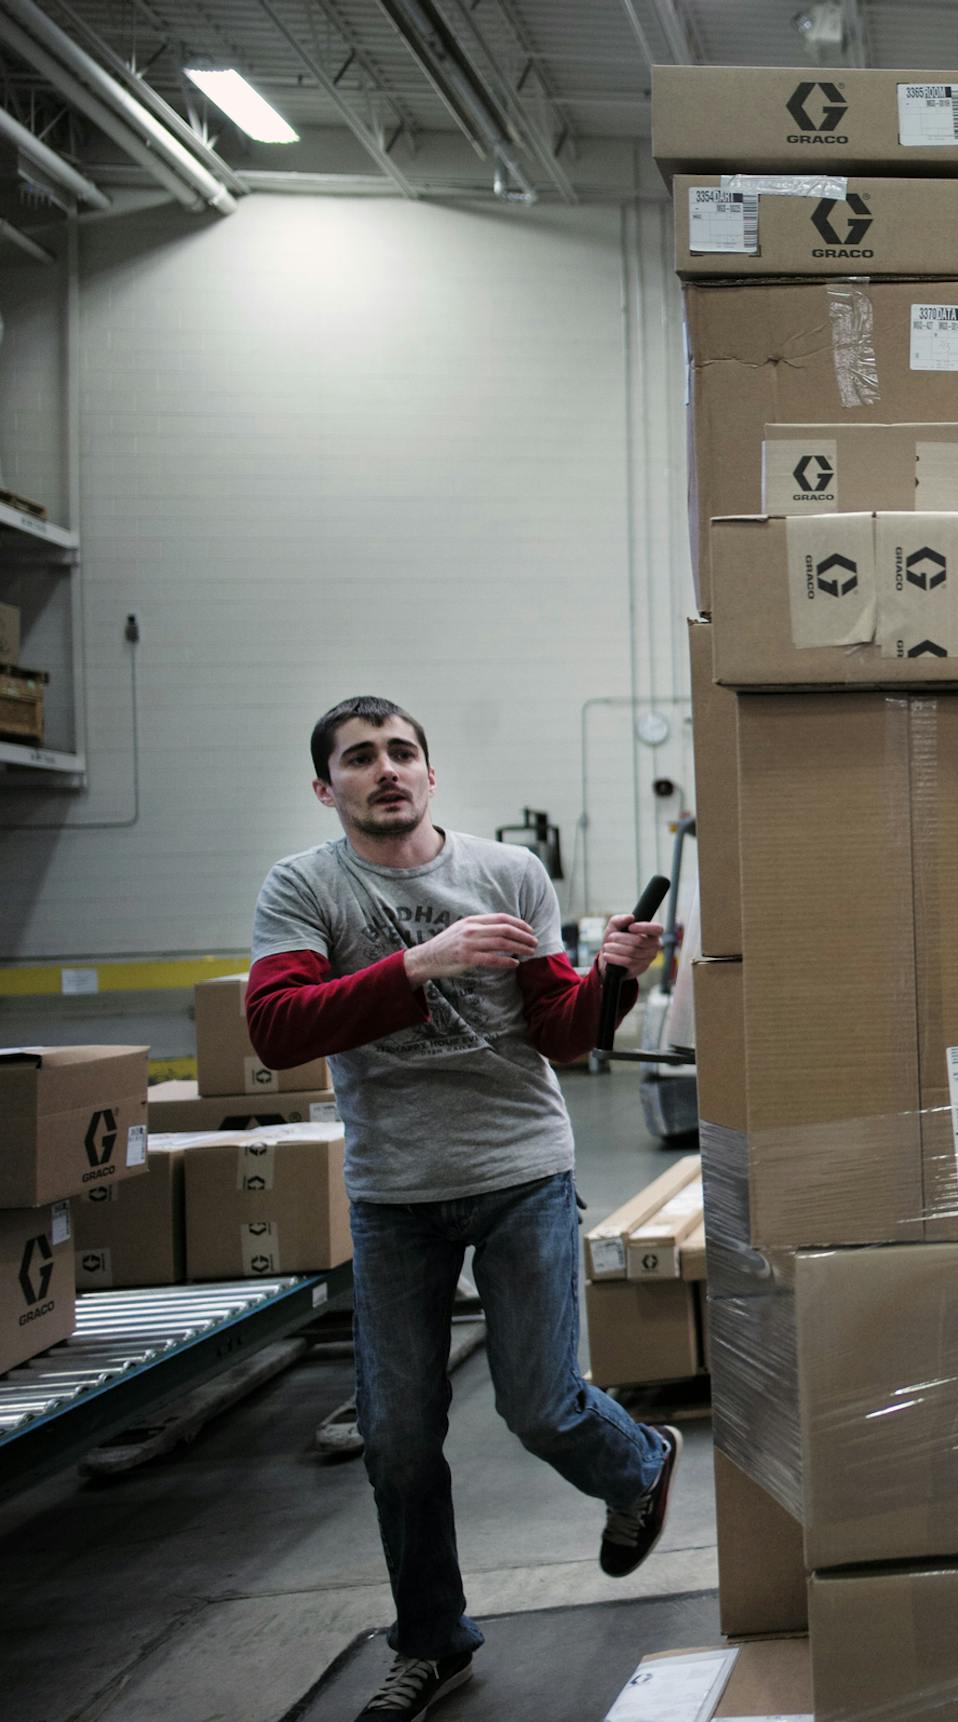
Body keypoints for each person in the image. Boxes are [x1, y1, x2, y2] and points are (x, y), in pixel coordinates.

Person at [244, 695, 679, 1722]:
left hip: (520, 1169)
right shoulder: (305, 888)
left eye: (403, 752)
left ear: (431, 775)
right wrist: (416, 965)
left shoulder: (506, 874)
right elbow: (274, 1028)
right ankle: (432, 1642)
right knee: (397, 1438)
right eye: (360, 759)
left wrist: (611, 979)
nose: (385, 769)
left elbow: (563, 1036)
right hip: (395, 1194)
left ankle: (635, 1464)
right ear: (327, 787)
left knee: (538, 1404)